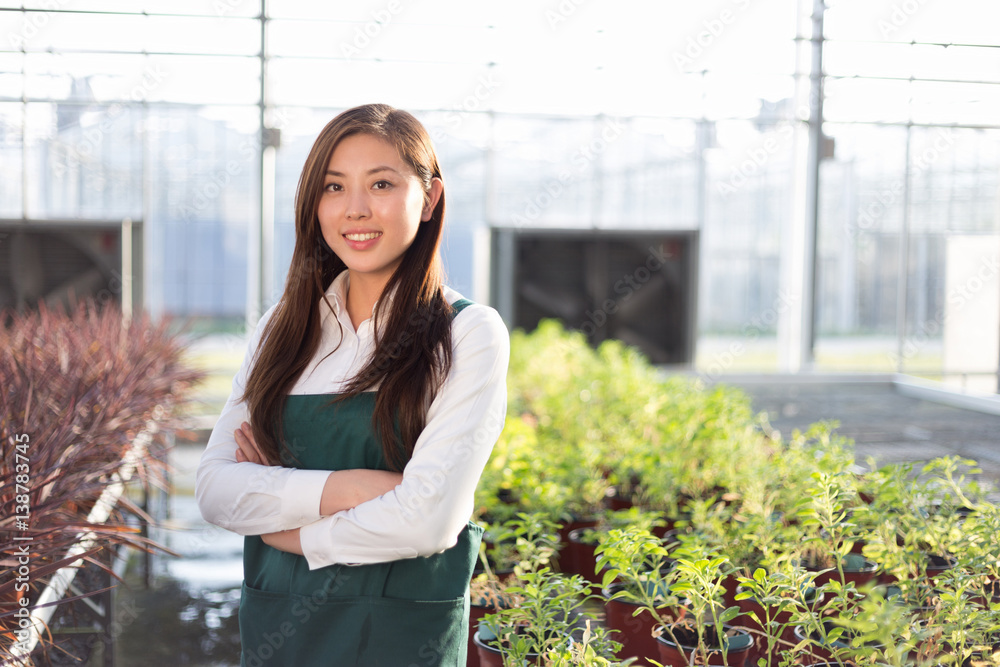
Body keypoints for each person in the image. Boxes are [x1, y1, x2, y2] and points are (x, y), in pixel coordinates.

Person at [195, 103, 509, 666]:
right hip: (280, 633)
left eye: (382, 183)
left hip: (400, 638)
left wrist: (286, 528)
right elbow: (216, 490)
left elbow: (428, 520)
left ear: (430, 198)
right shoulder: (282, 328)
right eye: (334, 187)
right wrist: (358, 487)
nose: (356, 209)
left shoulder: (468, 333)